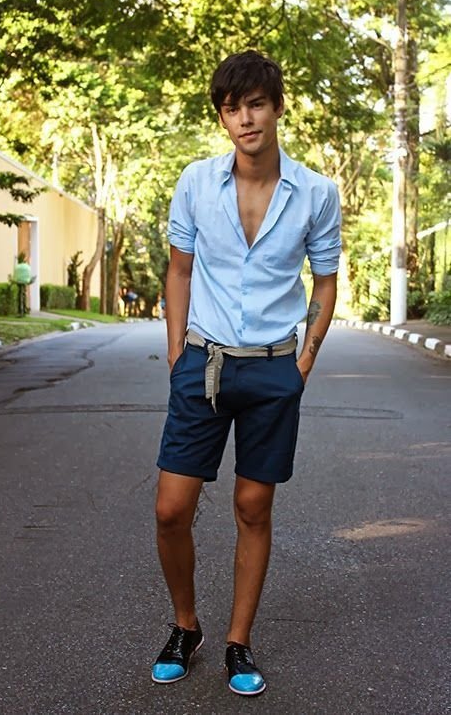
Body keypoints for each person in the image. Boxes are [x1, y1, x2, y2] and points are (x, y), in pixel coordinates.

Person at [152, 50, 341, 696]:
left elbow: (325, 280)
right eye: (232, 109)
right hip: (201, 365)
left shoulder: (316, 193)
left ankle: (239, 642)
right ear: (222, 117)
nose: (245, 119)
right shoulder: (196, 182)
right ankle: (186, 626)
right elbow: (179, 269)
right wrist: (176, 352)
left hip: (272, 371)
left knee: (253, 507)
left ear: (277, 107)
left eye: (256, 104)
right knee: (171, 509)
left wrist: (305, 359)